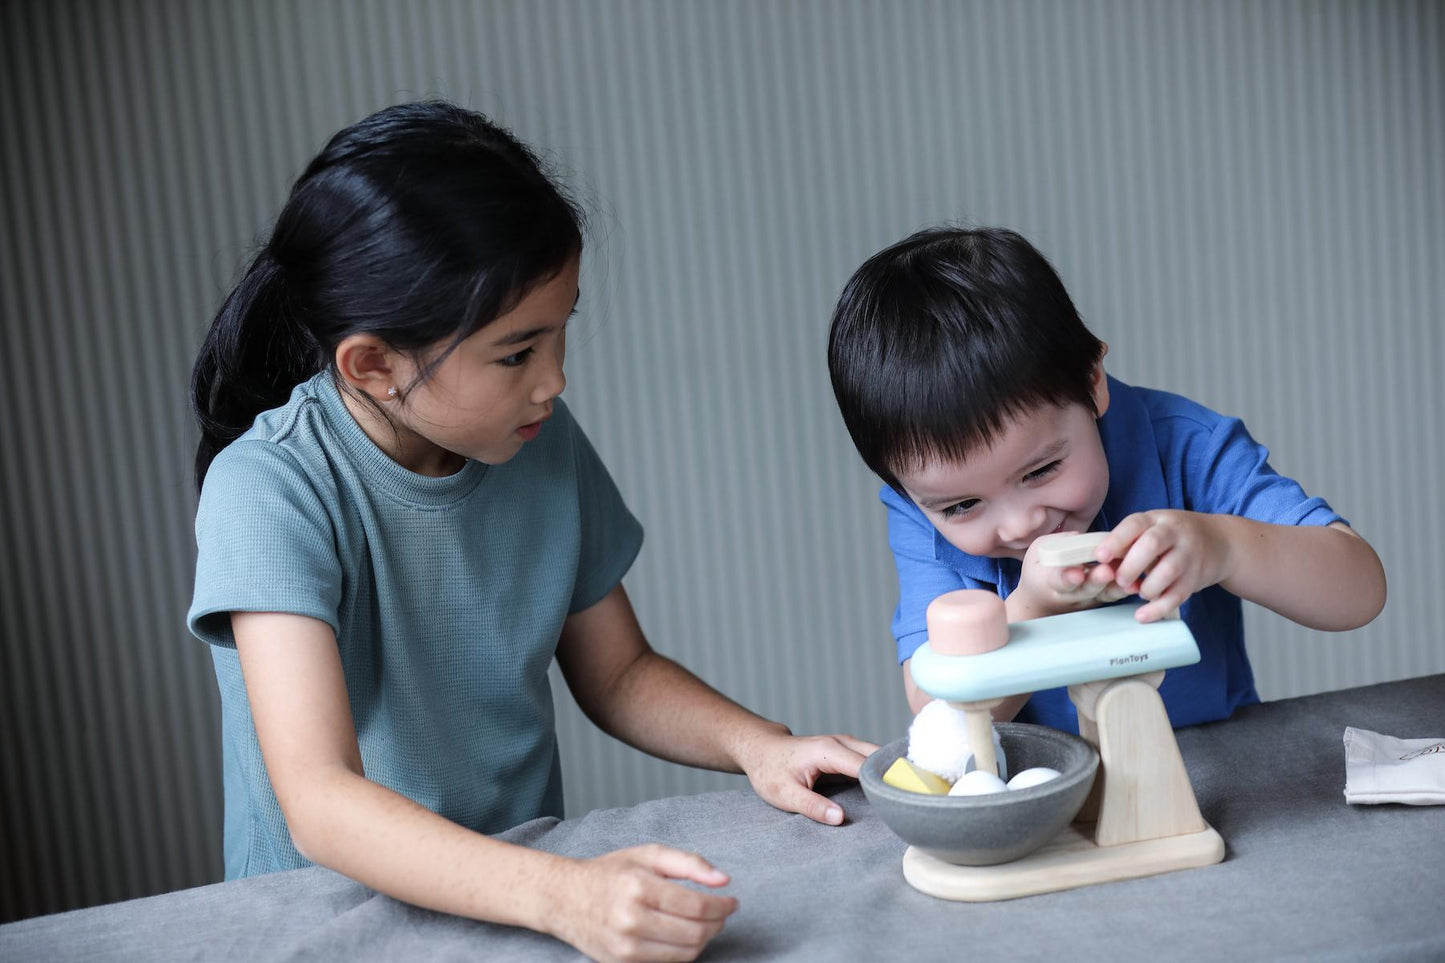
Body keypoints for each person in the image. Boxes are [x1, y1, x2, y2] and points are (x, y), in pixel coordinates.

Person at [187, 100, 876, 963]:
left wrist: (759, 746)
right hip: (328, 919)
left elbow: (618, 672)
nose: (553, 381)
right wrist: (562, 893)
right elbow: (320, 798)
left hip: (517, 902)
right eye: (516, 353)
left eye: (560, 334)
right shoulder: (268, 487)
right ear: (373, 364)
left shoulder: (536, 436)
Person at [826, 225, 1386, 727]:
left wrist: (1225, 548)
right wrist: (1030, 610)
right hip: (1037, 793)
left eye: (1041, 469)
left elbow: (1359, 590)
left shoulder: (1187, 446)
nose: (1023, 524)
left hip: (1217, 768)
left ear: (1093, 382)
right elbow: (937, 715)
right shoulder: (919, 513)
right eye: (962, 507)